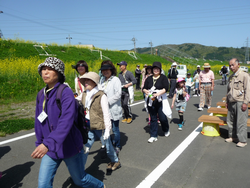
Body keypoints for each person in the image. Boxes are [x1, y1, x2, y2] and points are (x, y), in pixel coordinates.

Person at [31, 57, 104, 188]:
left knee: (80, 180)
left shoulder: (65, 93)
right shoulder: (41, 94)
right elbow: (38, 120)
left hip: (69, 147)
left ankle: (100, 186)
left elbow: (66, 122)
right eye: (43, 69)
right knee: (43, 184)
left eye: (50, 69)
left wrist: (47, 143)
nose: (45, 72)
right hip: (50, 148)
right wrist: (40, 142)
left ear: (58, 73)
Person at [79, 72, 121, 171]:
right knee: (85, 148)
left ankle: (115, 160)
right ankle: (79, 171)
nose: (85, 82)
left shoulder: (101, 96)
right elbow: (75, 100)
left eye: (88, 80)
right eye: (85, 80)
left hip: (99, 126)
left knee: (108, 146)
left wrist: (107, 130)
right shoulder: (85, 93)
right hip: (88, 126)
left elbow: (106, 114)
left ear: (94, 82)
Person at [143, 61, 171, 143]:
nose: (156, 70)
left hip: (160, 100)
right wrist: (146, 91)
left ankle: (166, 129)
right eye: (154, 68)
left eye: (157, 68)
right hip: (151, 100)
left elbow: (166, 88)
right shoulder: (149, 78)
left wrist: (158, 94)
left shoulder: (163, 78)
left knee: (162, 117)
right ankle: (153, 135)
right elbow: (144, 88)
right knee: (153, 118)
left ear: (160, 69)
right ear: (152, 70)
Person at [225, 58, 250, 148]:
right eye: (230, 65)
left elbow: (248, 89)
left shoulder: (244, 75)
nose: (231, 67)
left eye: (233, 65)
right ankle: (233, 136)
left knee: (241, 122)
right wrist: (227, 101)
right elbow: (228, 90)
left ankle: (242, 140)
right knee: (231, 121)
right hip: (231, 101)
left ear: (238, 64)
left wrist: (245, 102)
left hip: (240, 101)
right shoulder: (231, 77)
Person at [100, 60, 122, 154]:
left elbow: (118, 94)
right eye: (103, 70)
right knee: (105, 129)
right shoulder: (101, 80)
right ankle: (107, 145)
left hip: (113, 108)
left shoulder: (115, 80)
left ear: (111, 69)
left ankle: (117, 146)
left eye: (107, 69)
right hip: (104, 110)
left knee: (115, 129)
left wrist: (106, 102)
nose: (105, 71)